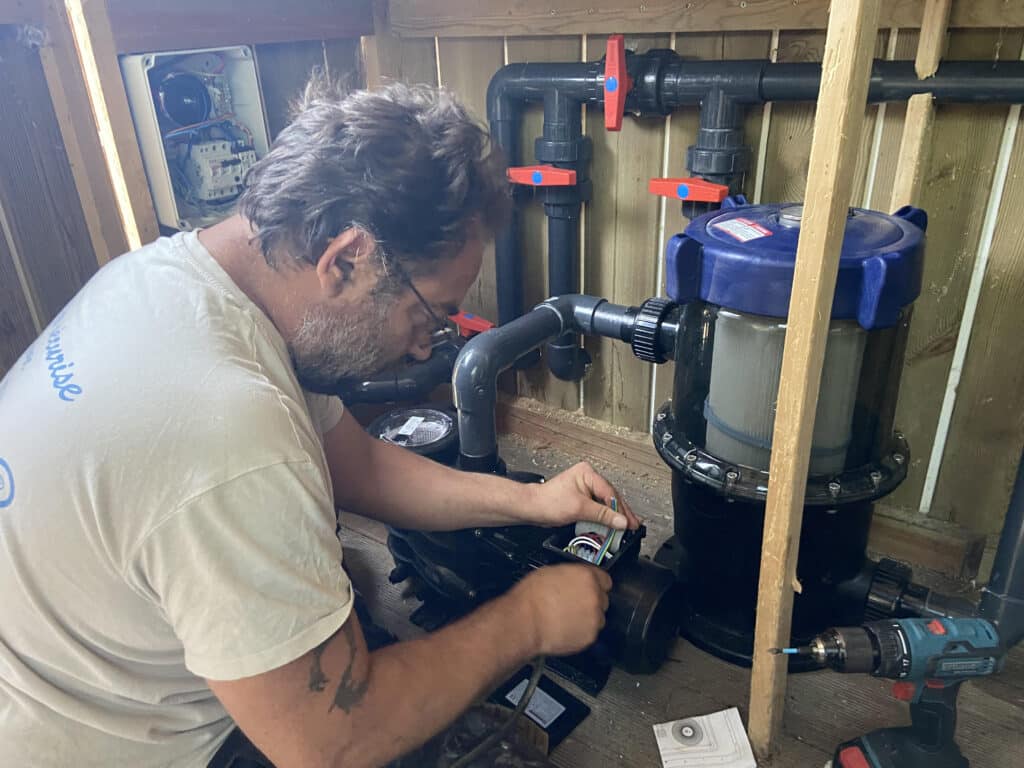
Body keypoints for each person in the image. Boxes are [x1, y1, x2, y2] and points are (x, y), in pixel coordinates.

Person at [0, 79, 638, 768]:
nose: (426, 345)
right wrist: (531, 619)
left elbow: (355, 465)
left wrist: (531, 503)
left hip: (78, 659)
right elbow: (331, 745)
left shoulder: (175, 282)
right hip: (107, 742)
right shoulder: (228, 429)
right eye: (429, 314)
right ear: (347, 260)